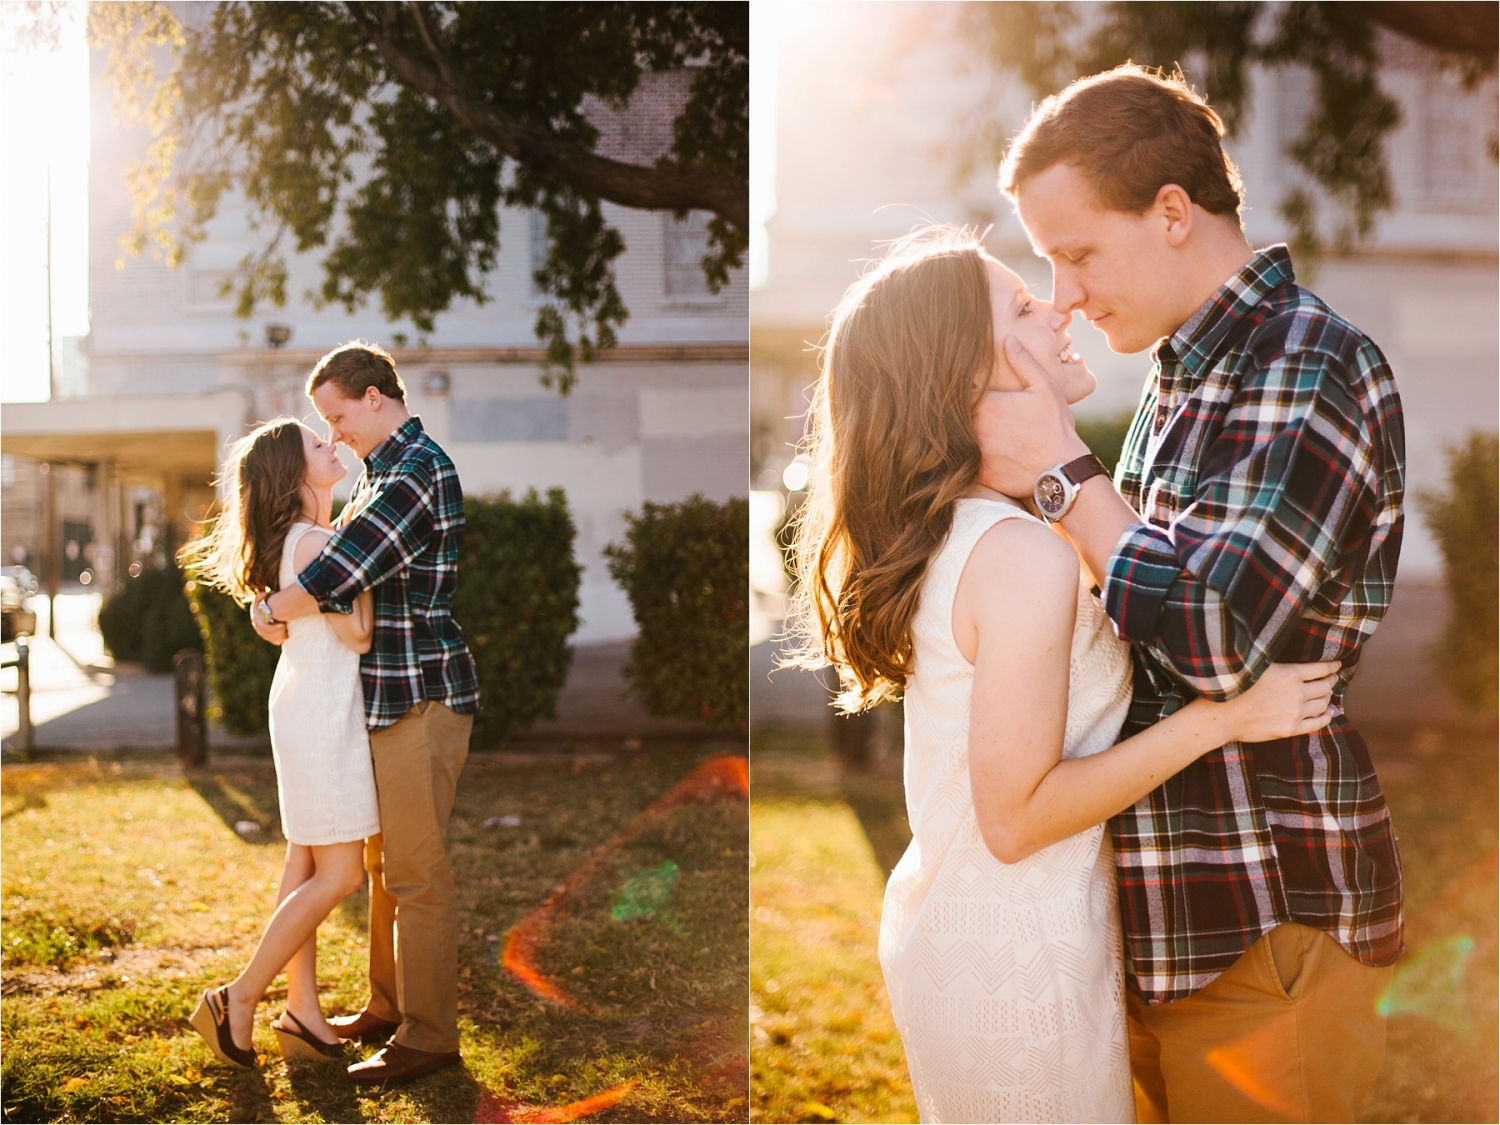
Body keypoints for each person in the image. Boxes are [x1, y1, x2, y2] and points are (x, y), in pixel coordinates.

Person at [786, 226, 1341, 1124]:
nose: (1057, 307)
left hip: (993, 927)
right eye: (1020, 305)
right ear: (968, 373)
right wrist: (1219, 718)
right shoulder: (1016, 554)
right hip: (1019, 953)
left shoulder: (985, 529)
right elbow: (1015, 819)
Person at [974, 66, 1406, 1123]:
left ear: (1172, 212)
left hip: (1264, 921)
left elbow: (1219, 638)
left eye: (1078, 253)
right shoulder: (1183, 376)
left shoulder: (1307, 360)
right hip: (1165, 922)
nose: (1063, 295)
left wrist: (1064, 477)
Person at [251, 342, 480, 1085]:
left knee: (416, 871)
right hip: (382, 698)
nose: (335, 432)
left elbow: (341, 571)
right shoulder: (380, 470)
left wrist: (269, 608)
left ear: (375, 397)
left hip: (421, 694)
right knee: (385, 865)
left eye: (337, 415)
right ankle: (388, 1006)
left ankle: (429, 1035)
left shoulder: (417, 470)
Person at [181, 418, 379, 1068]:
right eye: (318, 445)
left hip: (306, 706)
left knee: (304, 863)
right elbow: (358, 635)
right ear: (295, 476)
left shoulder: (301, 538)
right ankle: (237, 997)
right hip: (322, 714)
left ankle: (302, 1011)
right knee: (341, 873)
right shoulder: (318, 542)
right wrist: (359, 565)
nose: (333, 444)